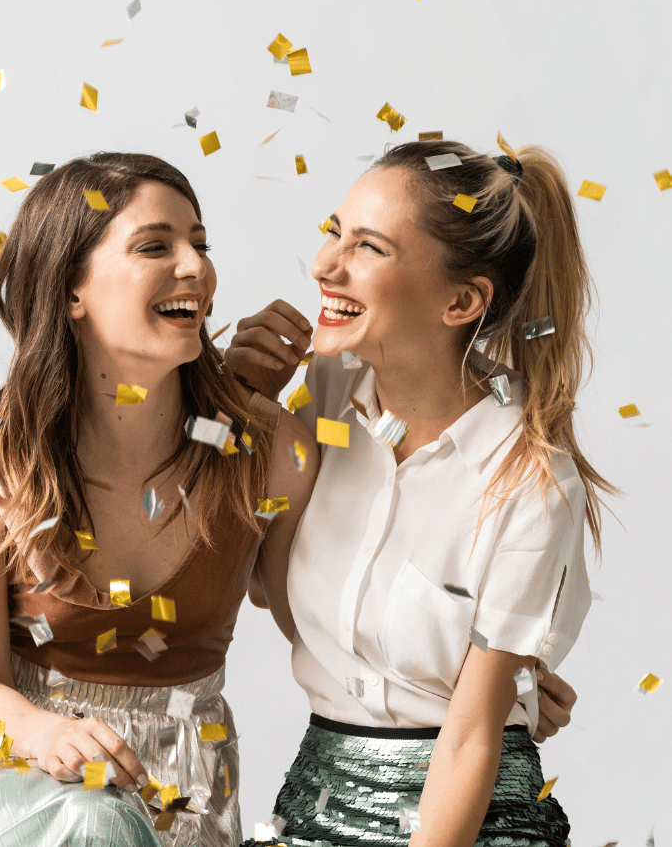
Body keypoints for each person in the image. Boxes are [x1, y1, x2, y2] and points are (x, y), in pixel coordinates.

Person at [0, 152, 320, 847]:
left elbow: (327, 626)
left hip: (182, 797)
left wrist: (500, 684)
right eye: (156, 246)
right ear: (69, 291)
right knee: (90, 821)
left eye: (200, 245)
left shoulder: (268, 452)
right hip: (14, 780)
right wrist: (43, 731)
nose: (196, 268)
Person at [227, 139, 610, 847]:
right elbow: (288, 606)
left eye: (368, 247)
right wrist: (233, 402)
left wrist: (508, 691)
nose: (324, 266)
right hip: (318, 793)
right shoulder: (326, 394)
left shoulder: (528, 480)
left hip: (467, 815)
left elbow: (468, 740)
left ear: (462, 301)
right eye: (334, 234)